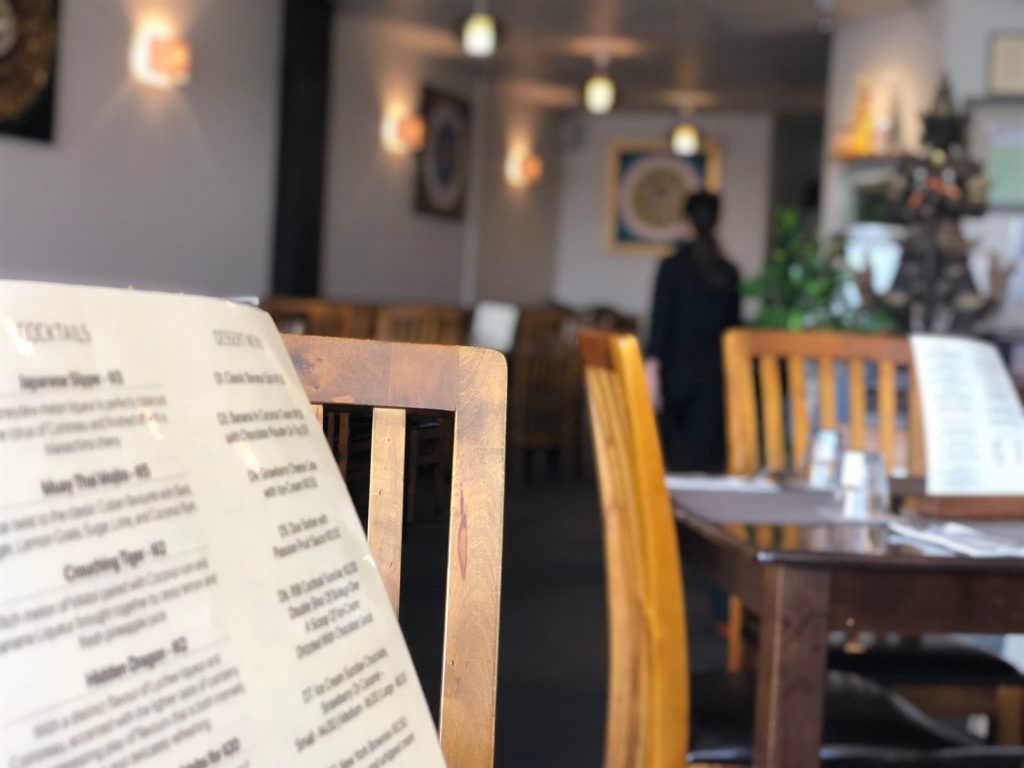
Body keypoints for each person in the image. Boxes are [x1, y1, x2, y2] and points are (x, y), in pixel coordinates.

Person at [645, 191, 740, 472]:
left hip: (675, 379)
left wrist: (651, 373)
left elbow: (660, 325)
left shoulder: (671, 267)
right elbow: (732, 333)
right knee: (706, 463)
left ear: (685, 221)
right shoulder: (728, 272)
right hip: (713, 379)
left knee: (671, 462)